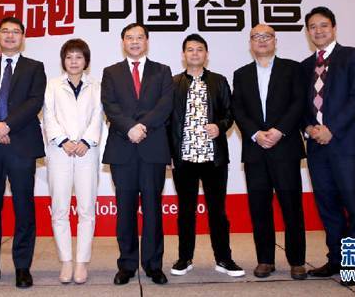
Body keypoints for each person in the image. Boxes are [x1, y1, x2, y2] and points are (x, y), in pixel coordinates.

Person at [0, 16, 47, 289]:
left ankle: (22, 267)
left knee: (24, 207)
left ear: (23, 37)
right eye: (5, 31)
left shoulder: (34, 67)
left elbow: (34, 101)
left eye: (16, 31)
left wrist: (7, 125)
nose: (10, 35)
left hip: (21, 144)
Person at [301, 7, 355, 286]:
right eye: (313, 26)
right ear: (307, 32)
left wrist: (332, 129)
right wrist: (309, 128)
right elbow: (301, 106)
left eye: (323, 25)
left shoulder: (353, 56)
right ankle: (336, 260)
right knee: (328, 206)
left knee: (353, 206)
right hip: (317, 147)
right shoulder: (305, 66)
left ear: (334, 27)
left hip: (346, 144)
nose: (318, 31)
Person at [232, 24, 307, 280]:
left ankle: (297, 261)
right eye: (256, 37)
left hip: (285, 147)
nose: (262, 41)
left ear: (275, 40)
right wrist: (256, 133)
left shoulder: (292, 69)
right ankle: (265, 260)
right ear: (250, 43)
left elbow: (299, 102)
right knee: (259, 208)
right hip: (255, 150)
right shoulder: (241, 74)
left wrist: (279, 130)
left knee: (292, 207)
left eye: (267, 36)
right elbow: (238, 109)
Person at [101, 23, 173, 285]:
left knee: (153, 209)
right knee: (125, 209)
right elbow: (110, 105)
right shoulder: (111, 72)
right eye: (129, 37)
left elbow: (165, 105)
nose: (134, 42)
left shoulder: (162, 71)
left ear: (147, 41)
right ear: (123, 42)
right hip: (123, 148)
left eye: (139, 37)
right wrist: (129, 128)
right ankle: (127, 264)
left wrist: (142, 126)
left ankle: (154, 265)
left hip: (152, 148)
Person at [168, 34, 244, 277]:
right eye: (190, 49)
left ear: (206, 54)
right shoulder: (173, 83)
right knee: (186, 211)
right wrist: (169, 155)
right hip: (184, 158)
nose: (194, 53)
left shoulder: (219, 81)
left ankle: (224, 259)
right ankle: (184, 258)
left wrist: (219, 127)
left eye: (199, 49)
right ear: (183, 55)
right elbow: (167, 122)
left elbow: (230, 113)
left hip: (214, 158)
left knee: (217, 211)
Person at [43, 39, 103, 284]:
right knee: (60, 208)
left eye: (79, 57)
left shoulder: (96, 86)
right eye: (69, 57)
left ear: (86, 61)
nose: (74, 61)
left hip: (87, 152)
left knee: (87, 209)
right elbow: (48, 115)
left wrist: (86, 141)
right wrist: (63, 140)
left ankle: (81, 262)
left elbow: (98, 115)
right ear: (63, 61)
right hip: (60, 152)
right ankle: (66, 261)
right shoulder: (52, 85)